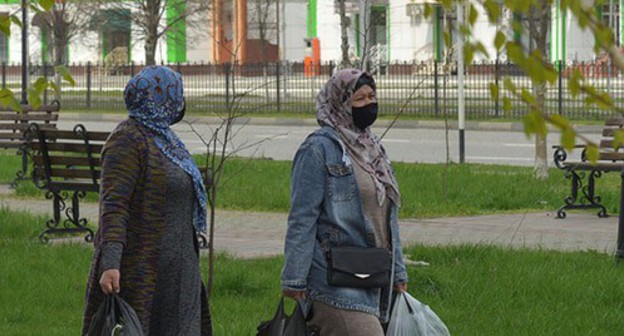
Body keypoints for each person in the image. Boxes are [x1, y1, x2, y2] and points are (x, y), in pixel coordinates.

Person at [82, 66, 212, 335]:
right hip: (144, 270)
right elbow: (114, 206)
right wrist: (111, 263)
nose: (180, 101)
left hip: (180, 269)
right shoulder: (126, 140)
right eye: (176, 93)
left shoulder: (166, 139)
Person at [281, 68, 409, 335]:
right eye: (359, 99)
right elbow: (302, 218)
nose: (369, 104)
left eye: (372, 96)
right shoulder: (319, 149)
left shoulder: (373, 151)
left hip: (374, 277)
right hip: (333, 280)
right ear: (341, 103)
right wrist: (294, 278)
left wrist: (398, 274)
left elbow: (388, 218)